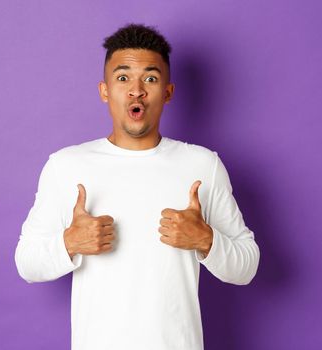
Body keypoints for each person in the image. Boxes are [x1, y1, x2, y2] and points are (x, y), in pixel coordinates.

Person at [14, 23, 260, 350]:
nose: (136, 90)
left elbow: (247, 265)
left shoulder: (203, 165)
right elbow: (27, 262)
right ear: (105, 90)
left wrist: (205, 239)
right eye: (123, 77)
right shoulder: (66, 166)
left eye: (151, 78)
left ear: (168, 92)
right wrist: (70, 242)